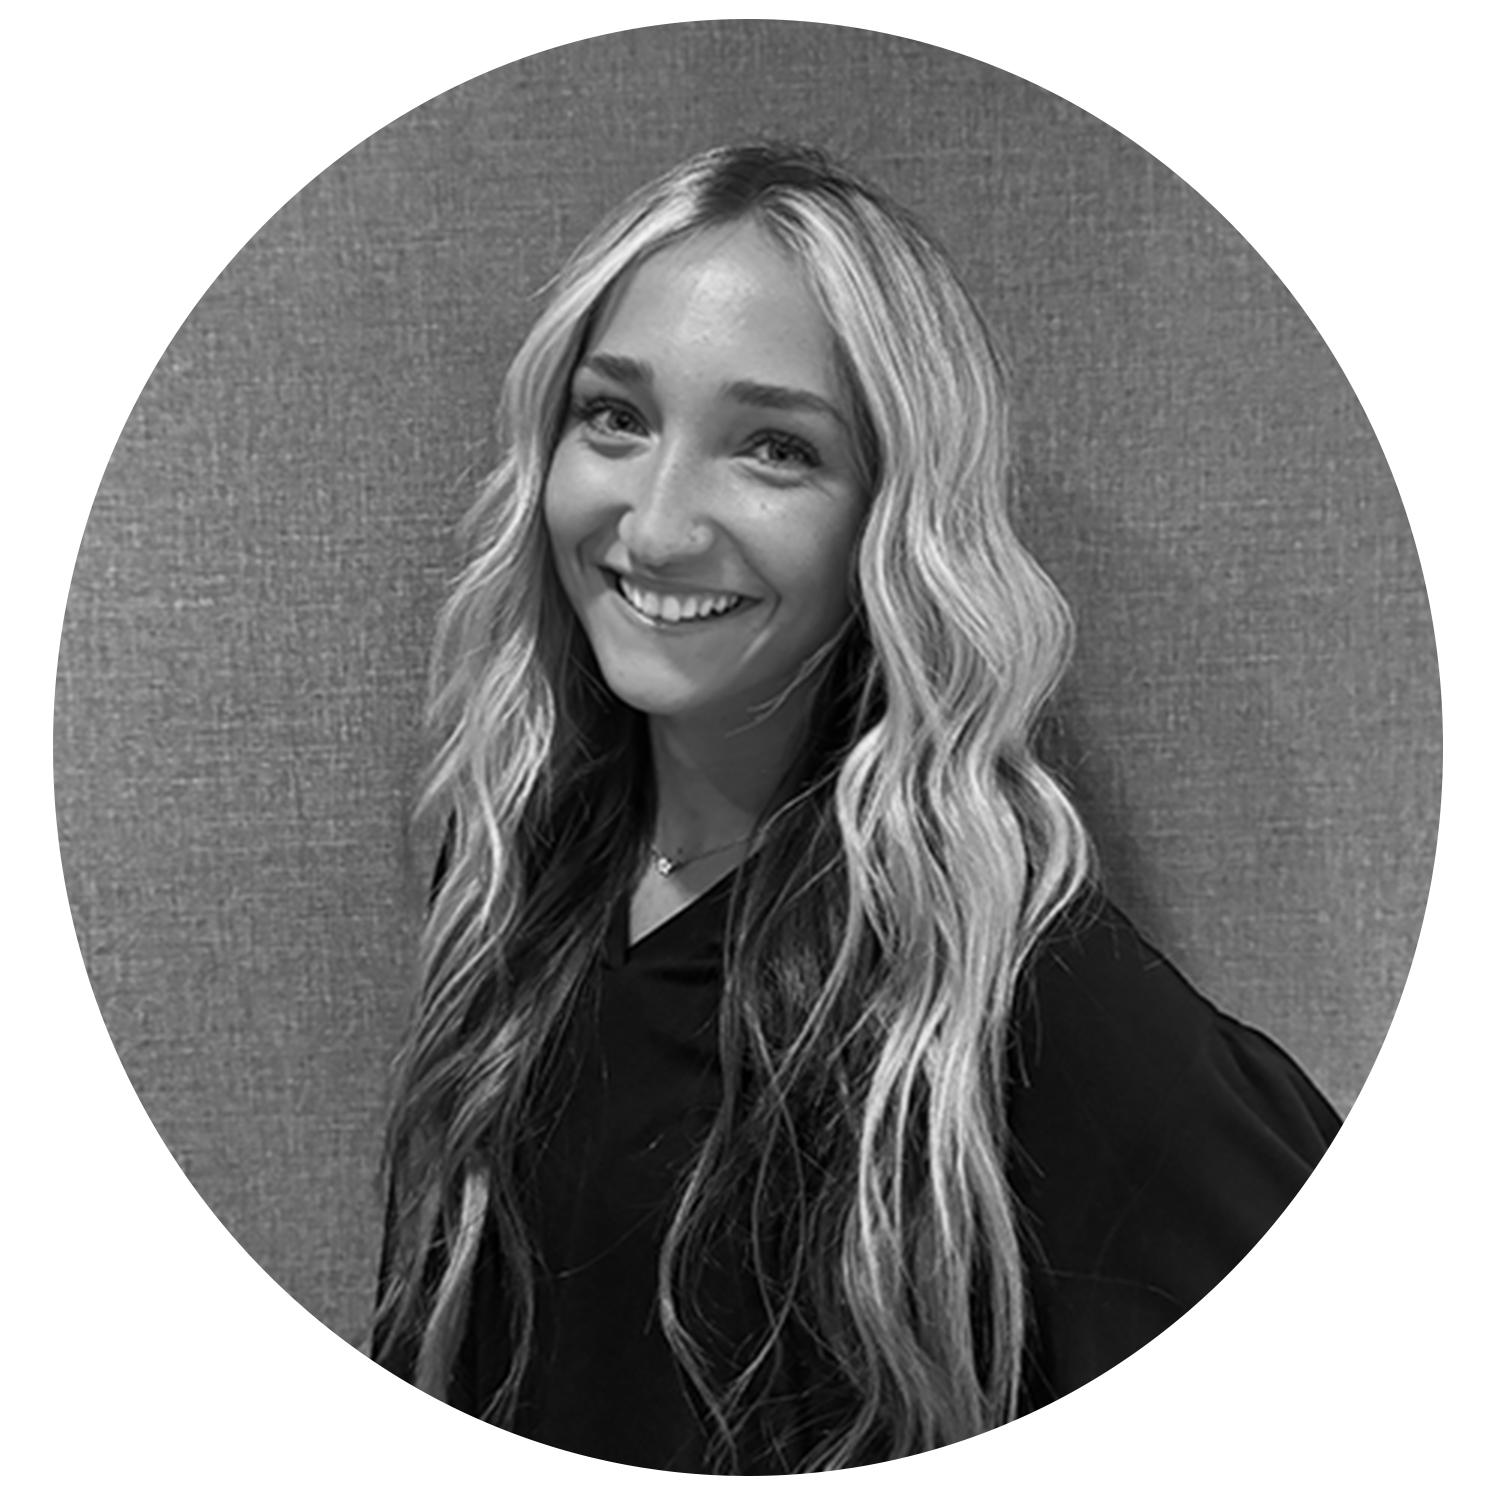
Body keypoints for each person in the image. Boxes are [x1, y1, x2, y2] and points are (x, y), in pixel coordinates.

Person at [364, 142, 1441, 1475]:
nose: (656, 525)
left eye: (774, 448)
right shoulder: (511, 870)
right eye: (616, 417)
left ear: (891, 519)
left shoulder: (1009, 1003)